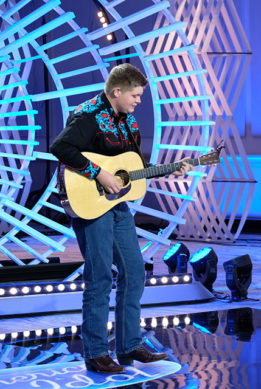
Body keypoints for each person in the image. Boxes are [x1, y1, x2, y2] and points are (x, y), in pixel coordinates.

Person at [50, 63, 192, 373]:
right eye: (136, 95)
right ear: (117, 91)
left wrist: (170, 168)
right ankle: (97, 353)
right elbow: (59, 146)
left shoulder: (126, 121)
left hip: (117, 206)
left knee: (135, 271)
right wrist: (98, 173)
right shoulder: (89, 115)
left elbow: (130, 165)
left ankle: (129, 346)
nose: (139, 101)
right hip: (89, 203)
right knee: (99, 277)